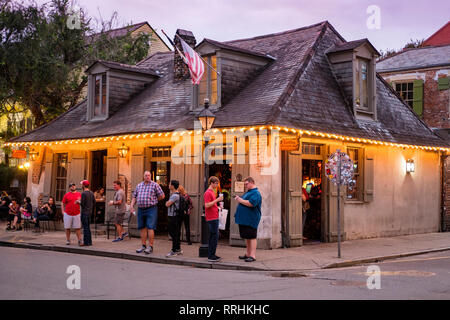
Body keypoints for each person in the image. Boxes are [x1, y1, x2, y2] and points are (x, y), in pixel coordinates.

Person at [130, 171, 165, 254]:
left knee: (150, 227)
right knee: (142, 227)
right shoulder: (139, 185)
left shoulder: (155, 185)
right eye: (146, 175)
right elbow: (134, 197)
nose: (147, 177)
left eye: (149, 175)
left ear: (150, 176)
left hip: (151, 209)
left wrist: (155, 200)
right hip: (141, 209)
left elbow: (162, 195)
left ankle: (150, 246)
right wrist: (131, 206)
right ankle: (143, 245)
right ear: (143, 176)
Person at [234, 177, 262, 262]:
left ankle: (253, 256)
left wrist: (240, 200)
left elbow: (251, 203)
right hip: (245, 219)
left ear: (251, 182)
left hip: (251, 219)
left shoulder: (256, 193)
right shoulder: (249, 192)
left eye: (246, 184)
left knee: (252, 237)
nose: (245, 186)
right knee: (247, 237)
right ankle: (248, 254)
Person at [204, 176, 224, 262]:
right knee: (214, 236)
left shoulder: (212, 192)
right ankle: (211, 255)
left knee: (214, 236)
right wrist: (217, 200)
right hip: (212, 217)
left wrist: (217, 206)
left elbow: (211, 205)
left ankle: (212, 254)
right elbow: (207, 205)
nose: (217, 185)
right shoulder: (208, 192)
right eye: (216, 183)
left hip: (214, 216)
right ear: (211, 183)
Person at [165, 180, 182, 257]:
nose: (168, 185)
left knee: (173, 234)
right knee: (176, 233)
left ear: (172, 186)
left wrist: (167, 202)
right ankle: (178, 249)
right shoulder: (177, 194)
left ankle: (174, 250)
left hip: (173, 217)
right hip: (176, 216)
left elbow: (167, 204)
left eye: (169, 184)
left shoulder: (174, 196)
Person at [79, 180, 95, 246]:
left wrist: (78, 201)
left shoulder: (83, 193)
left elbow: (82, 203)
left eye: (82, 185)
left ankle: (85, 242)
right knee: (88, 227)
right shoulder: (91, 193)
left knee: (85, 228)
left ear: (83, 185)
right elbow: (94, 202)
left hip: (84, 212)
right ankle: (89, 242)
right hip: (89, 212)